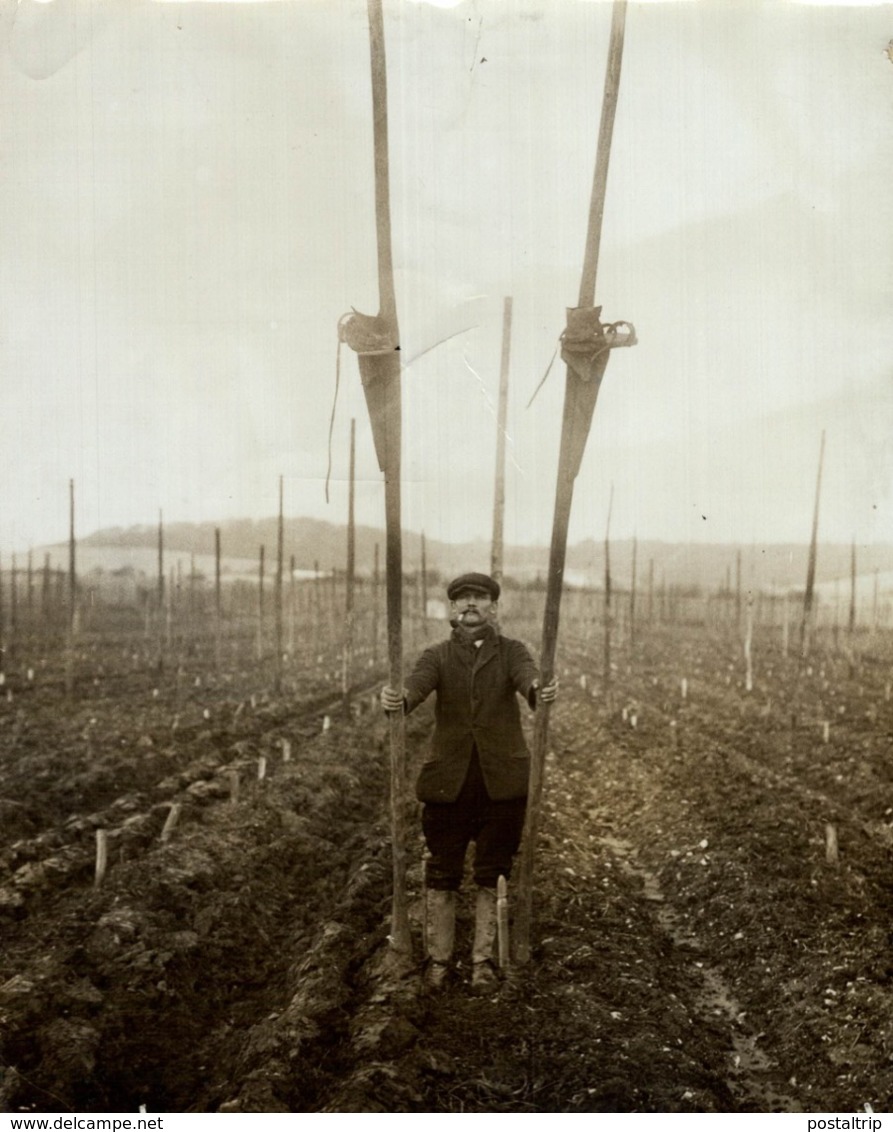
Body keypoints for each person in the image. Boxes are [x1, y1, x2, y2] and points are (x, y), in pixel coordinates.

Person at [381, 571, 558, 990]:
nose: (471, 605)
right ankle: (439, 962)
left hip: (502, 785)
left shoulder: (512, 652)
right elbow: (414, 688)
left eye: (479, 598)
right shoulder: (438, 656)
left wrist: (539, 690)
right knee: (441, 871)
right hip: (449, 785)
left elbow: (529, 679)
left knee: (492, 872)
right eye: (463, 600)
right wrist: (399, 699)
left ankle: (483, 962)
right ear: (452, 609)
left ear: (494, 607)